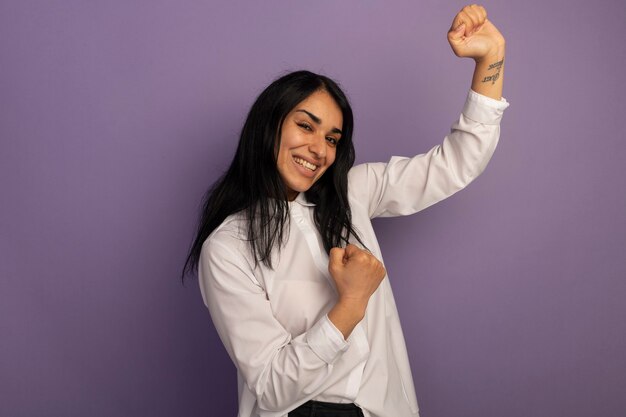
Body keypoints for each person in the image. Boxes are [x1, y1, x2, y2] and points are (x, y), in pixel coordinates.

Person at [182, 5, 509, 417]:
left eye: (332, 138)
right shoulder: (228, 247)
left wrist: (490, 58)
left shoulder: (353, 191)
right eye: (305, 126)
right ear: (269, 125)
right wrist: (350, 304)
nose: (319, 149)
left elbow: (454, 164)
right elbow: (270, 385)